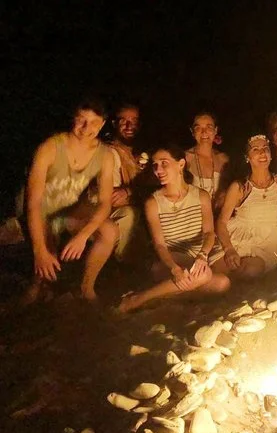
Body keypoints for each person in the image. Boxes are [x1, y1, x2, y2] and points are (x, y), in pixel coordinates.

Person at [24, 99, 118, 303]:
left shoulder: (105, 155)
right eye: (81, 120)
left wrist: (83, 235)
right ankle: (34, 290)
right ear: (73, 119)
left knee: (109, 231)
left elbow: (105, 203)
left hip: (70, 212)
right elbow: (33, 203)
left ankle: (86, 288)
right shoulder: (50, 148)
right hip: (42, 212)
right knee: (41, 276)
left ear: (102, 124)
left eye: (94, 122)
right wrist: (39, 250)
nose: (86, 128)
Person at [118, 145, 230, 312]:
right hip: (169, 259)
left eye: (164, 163)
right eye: (155, 165)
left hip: (195, 259)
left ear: (181, 164)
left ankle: (159, 296)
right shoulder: (153, 203)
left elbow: (209, 233)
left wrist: (202, 255)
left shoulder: (200, 196)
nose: (158, 170)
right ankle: (137, 300)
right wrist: (174, 269)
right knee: (205, 276)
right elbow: (160, 245)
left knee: (222, 284)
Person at [213, 135, 277, 278]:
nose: (262, 152)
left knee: (251, 271)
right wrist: (229, 249)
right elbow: (221, 222)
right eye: (255, 149)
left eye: (265, 148)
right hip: (235, 239)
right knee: (218, 272)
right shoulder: (239, 186)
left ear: (271, 155)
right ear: (247, 158)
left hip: (265, 243)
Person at [107, 103, 146, 260]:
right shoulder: (111, 152)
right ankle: (120, 261)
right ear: (114, 124)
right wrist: (142, 195)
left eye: (134, 121)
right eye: (123, 121)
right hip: (108, 214)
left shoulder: (141, 152)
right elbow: (115, 199)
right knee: (129, 214)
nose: (129, 126)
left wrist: (131, 192)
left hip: (138, 204)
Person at [185, 112, 229, 211]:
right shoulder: (185, 159)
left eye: (209, 127)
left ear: (215, 130)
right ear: (192, 132)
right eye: (198, 128)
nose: (204, 132)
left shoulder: (223, 159)